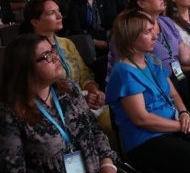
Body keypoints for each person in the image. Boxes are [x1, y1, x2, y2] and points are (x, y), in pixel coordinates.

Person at [106, 10, 190, 172]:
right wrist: (182, 126)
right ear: (130, 37)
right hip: (147, 140)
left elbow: (173, 94)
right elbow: (141, 119)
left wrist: (185, 114)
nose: (155, 36)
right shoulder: (123, 72)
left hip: (175, 125)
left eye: (153, 30)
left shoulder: (152, 60)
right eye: (147, 32)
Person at [0, 34, 117, 172]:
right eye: (47, 56)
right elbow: (13, 168)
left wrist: (107, 165)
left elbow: (96, 130)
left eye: (53, 51)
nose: (56, 57)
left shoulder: (69, 89)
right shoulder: (10, 113)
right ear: (26, 67)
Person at [21, 0, 108, 109]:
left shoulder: (66, 44)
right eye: (52, 13)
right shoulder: (29, 52)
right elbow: (38, 92)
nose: (59, 16)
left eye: (59, 11)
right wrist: (79, 101)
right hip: (57, 110)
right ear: (35, 22)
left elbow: (84, 75)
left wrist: (95, 93)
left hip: (83, 101)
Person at [66, 0, 114, 87]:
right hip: (85, 38)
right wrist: (93, 42)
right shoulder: (76, 2)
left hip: (104, 35)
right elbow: (75, 27)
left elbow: (110, 20)